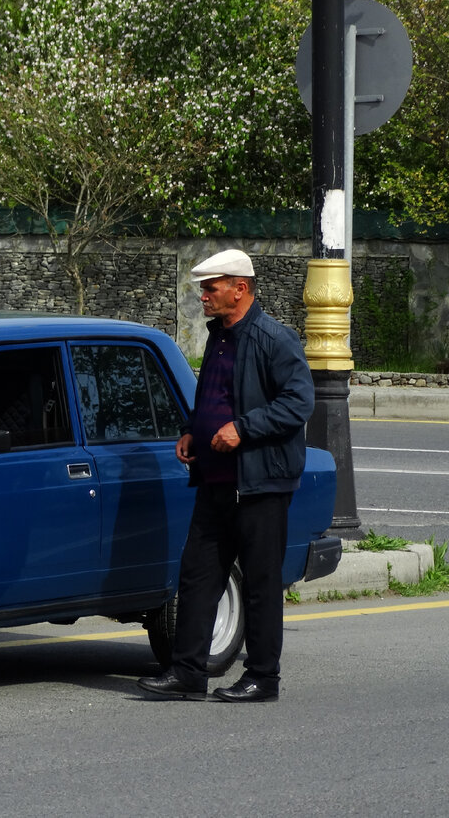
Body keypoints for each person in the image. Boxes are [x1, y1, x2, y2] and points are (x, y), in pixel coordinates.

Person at [137, 249, 314, 703]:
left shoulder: (276, 339)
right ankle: (188, 673)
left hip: (260, 484)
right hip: (216, 482)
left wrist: (243, 428)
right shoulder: (219, 337)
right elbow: (215, 397)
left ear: (240, 288)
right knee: (197, 577)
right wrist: (191, 431)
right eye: (204, 288)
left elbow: (298, 404)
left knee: (259, 583)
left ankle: (263, 677)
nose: (203, 296)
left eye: (211, 287)